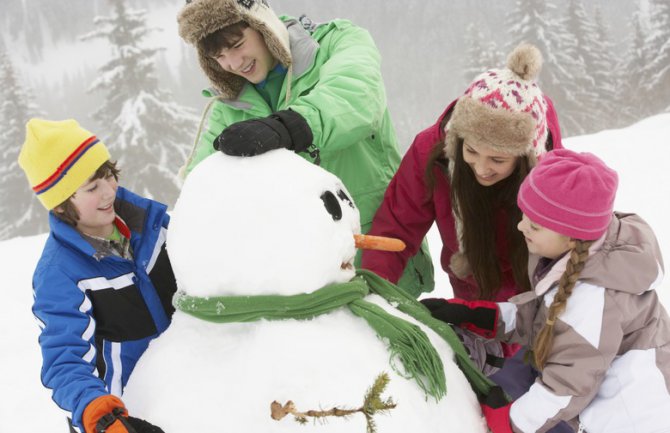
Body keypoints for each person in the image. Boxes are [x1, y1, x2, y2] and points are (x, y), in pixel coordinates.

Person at [176, 0, 433, 297]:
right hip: (302, 273)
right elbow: (202, 185)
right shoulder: (229, 108)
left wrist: (289, 127)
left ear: (262, 24)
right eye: (219, 56)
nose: (234, 63)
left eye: (237, 44)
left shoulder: (338, 42)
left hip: (378, 249)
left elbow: (356, 97)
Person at [361, 42, 564, 407]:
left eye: (498, 159)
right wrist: (373, 293)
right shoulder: (433, 152)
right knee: (479, 394)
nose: (481, 168)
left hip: (532, 300)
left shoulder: (549, 172)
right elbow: (396, 226)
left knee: (530, 398)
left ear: (526, 157)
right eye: (471, 151)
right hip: (472, 292)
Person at [422, 149, 670, 432]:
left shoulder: (593, 300)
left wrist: (510, 421)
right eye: (524, 216)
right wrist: (485, 316)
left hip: (631, 419)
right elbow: (553, 313)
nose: (520, 226)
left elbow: (566, 387)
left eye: (534, 225)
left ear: (570, 237)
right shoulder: (587, 254)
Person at [18, 119, 176, 433]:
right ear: (63, 204)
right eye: (92, 187)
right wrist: (102, 418)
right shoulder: (59, 273)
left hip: (186, 381)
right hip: (129, 411)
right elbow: (65, 359)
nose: (109, 193)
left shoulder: (150, 224)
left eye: (108, 176)